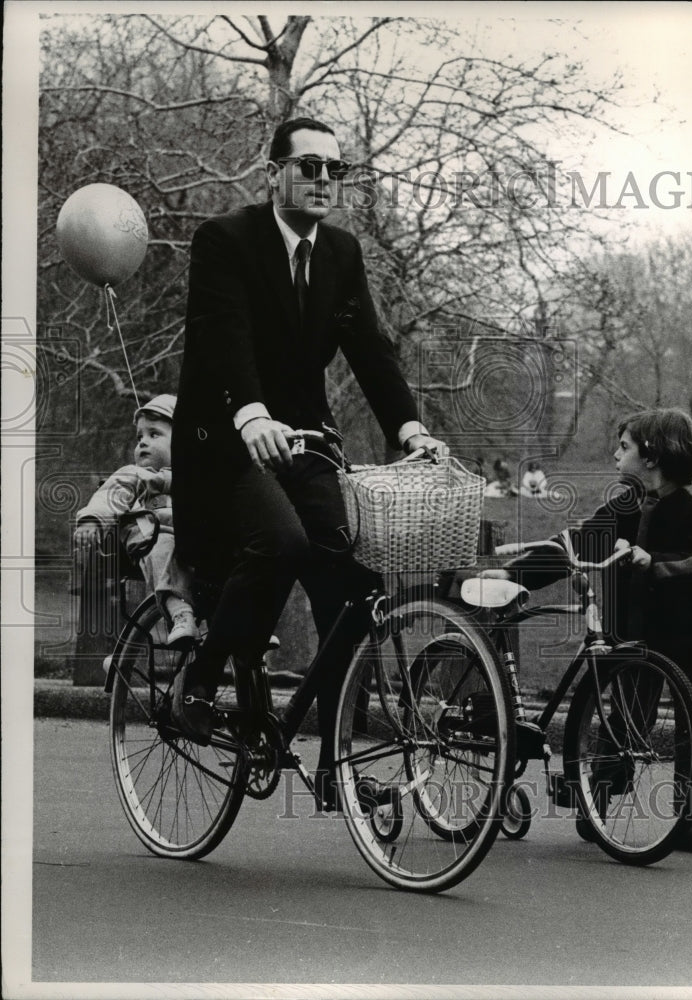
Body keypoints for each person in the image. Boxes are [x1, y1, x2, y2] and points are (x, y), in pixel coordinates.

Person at [171, 117, 446, 805]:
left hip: (304, 440)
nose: (323, 179)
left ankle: (337, 769)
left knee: (350, 584)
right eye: (309, 166)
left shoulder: (342, 254)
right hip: (224, 442)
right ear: (274, 174)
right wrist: (250, 413)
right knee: (282, 543)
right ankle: (201, 680)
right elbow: (221, 335)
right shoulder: (226, 240)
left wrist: (409, 428)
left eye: (334, 170)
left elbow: (371, 351)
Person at [501, 408, 692, 853]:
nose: (615, 453)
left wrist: (654, 562)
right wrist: (513, 576)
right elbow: (578, 543)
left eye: (624, 446)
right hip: (633, 635)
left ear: (652, 455)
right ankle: (596, 803)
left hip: (689, 636)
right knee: (622, 721)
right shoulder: (624, 503)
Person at [74, 393, 199, 647]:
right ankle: (180, 613)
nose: (142, 443)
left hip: (193, 540)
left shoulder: (197, 478)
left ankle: (239, 623)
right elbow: (111, 494)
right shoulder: (135, 475)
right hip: (151, 536)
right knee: (164, 546)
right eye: (139, 437)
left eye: (154, 435)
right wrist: (92, 520)